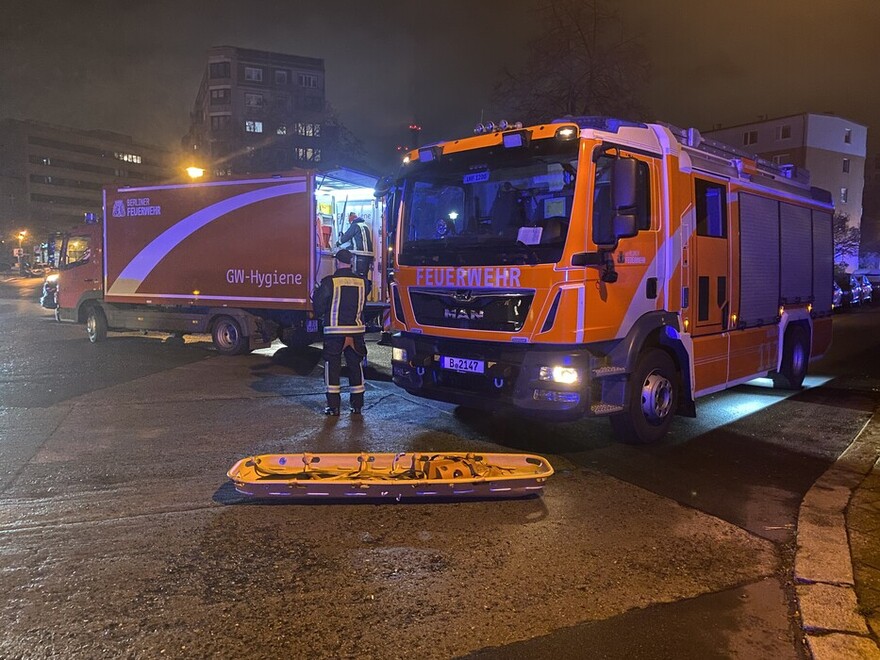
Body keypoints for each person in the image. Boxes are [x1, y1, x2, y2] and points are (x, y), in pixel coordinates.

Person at [311, 249, 371, 416]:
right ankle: (357, 406)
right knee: (355, 367)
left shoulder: (330, 282)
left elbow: (319, 306)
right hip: (356, 331)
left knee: (332, 368)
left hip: (335, 332)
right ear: (351, 262)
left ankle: (333, 407)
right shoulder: (363, 282)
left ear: (337, 262)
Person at [336, 211, 374, 277]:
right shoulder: (364, 225)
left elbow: (346, 237)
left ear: (351, 219)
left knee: (358, 275)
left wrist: (337, 243)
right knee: (364, 275)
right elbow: (359, 239)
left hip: (359, 254)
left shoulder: (355, 225)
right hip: (368, 255)